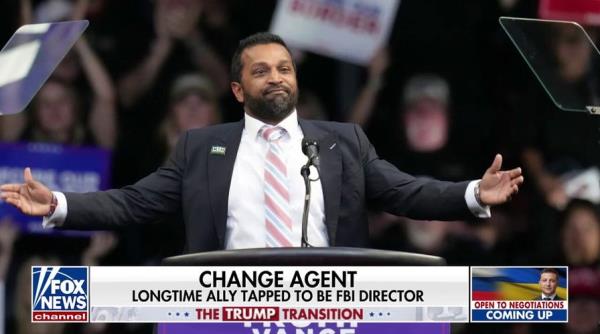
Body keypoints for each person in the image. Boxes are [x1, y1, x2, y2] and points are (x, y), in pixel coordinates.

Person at [0, 32, 524, 252]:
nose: (276, 78)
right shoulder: (200, 147)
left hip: (330, 306)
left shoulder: (342, 141)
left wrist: (473, 193)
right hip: (227, 307)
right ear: (237, 89)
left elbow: (405, 192)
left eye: (285, 68)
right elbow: (135, 202)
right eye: (261, 71)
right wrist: (62, 204)